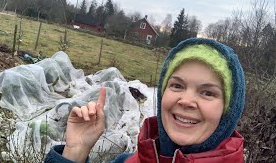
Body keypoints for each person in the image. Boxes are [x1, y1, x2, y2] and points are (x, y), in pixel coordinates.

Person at [44, 38, 245, 162]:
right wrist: (75, 153)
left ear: (228, 110)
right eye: (177, 85)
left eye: (208, 92)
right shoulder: (126, 162)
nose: (186, 101)